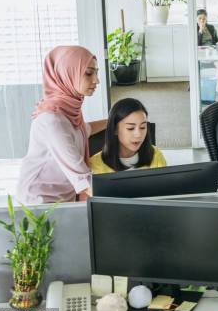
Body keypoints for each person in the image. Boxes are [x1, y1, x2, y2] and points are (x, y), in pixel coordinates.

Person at [17, 46, 107, 204]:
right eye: (88, 73)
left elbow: (84, 130)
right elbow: (82, 176)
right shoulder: (52, 120)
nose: (96, 80)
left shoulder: (70, 111)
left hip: (62, 199)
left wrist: (114, 121)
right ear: (68, 74)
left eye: (96, 72)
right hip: (39, 202)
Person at [90, 98, 166, 174]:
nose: (138, 135)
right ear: (115, 129)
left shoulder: (156, 155)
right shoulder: (95, 164)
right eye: (130, 128)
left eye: (142, 127)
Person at [197, 9, 218, 92]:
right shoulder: (194, 28)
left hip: (213, 53)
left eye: (204, 18)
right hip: (201, 55)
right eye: (200, 18)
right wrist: (200, 31)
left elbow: (216, 40)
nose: (202, 20)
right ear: (196, 19)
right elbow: (196, 44)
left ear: (206, 19)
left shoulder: (211, 27)